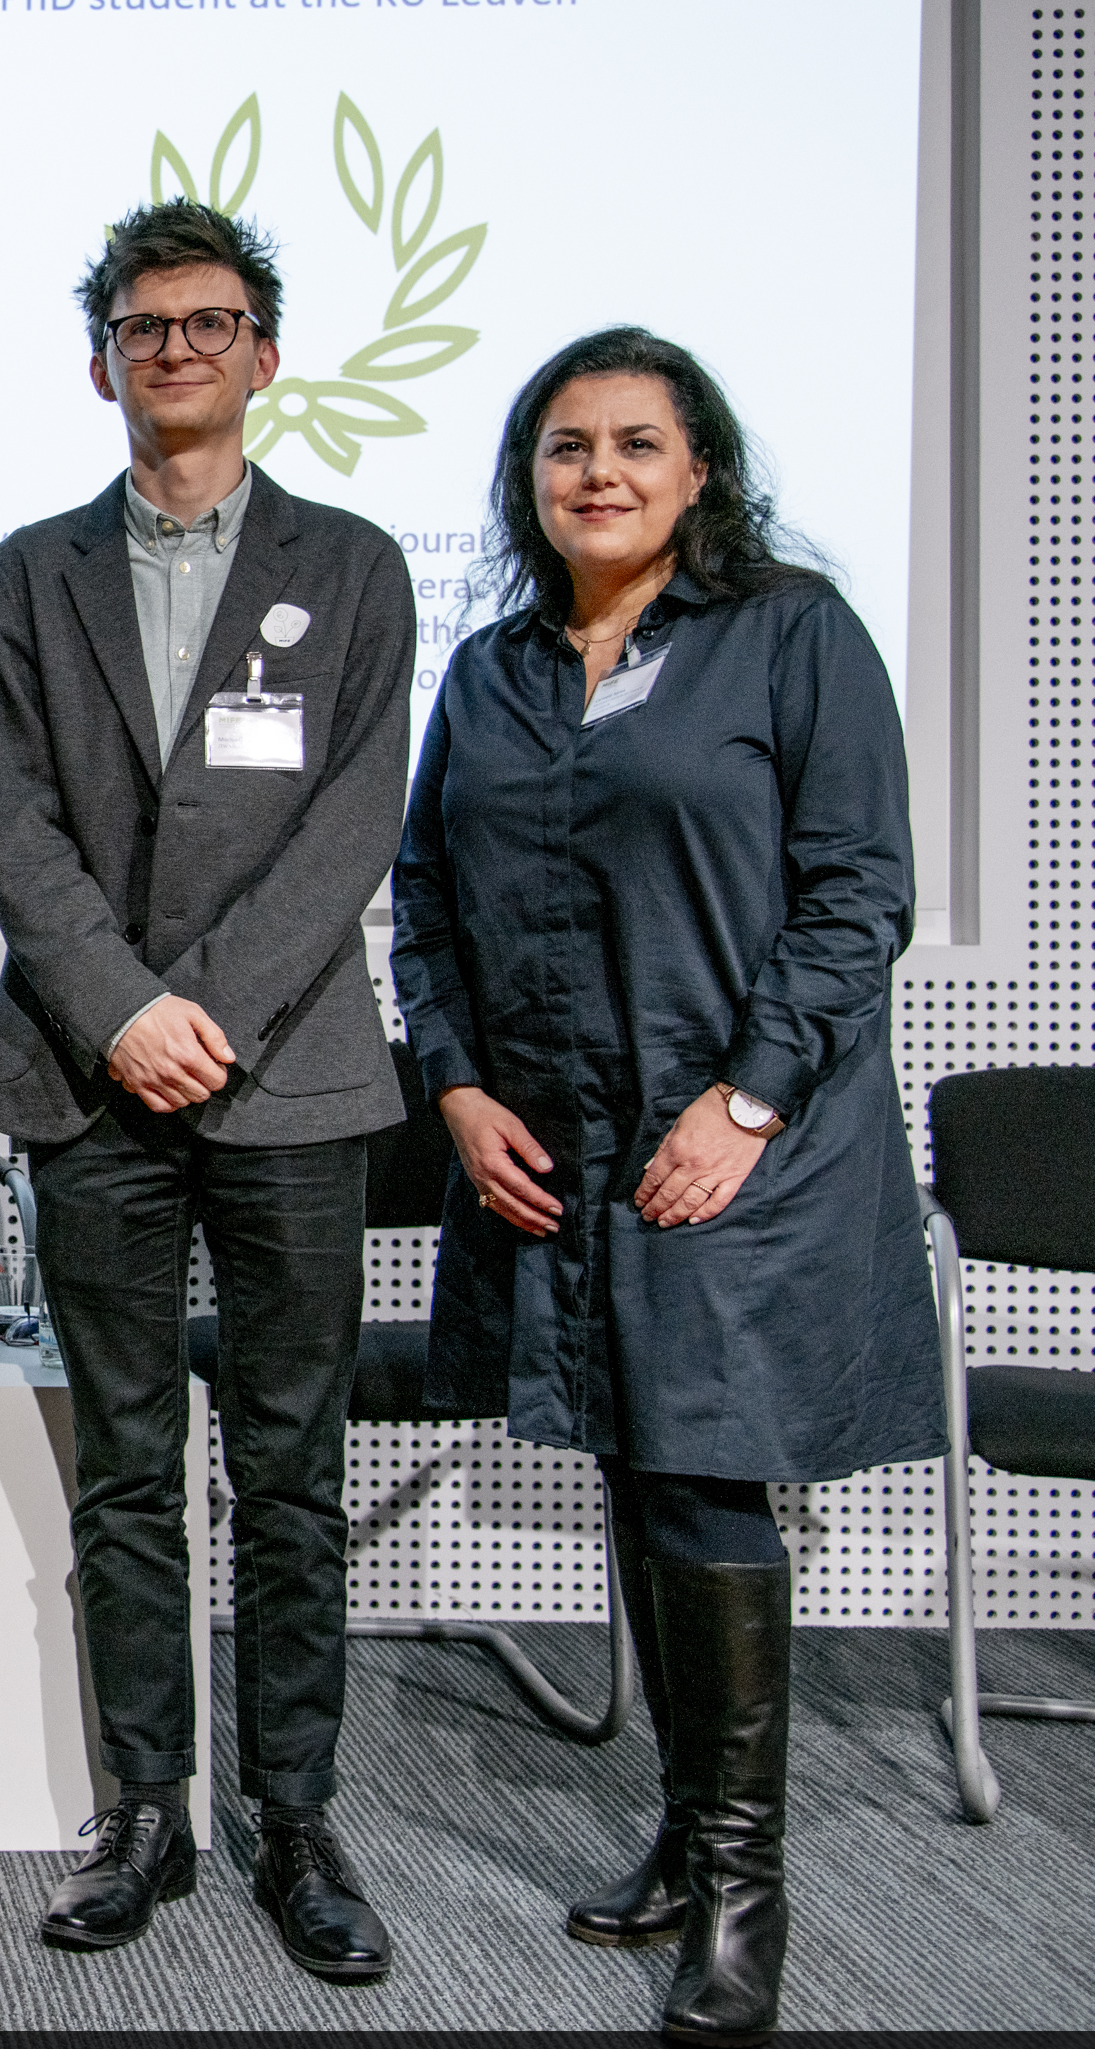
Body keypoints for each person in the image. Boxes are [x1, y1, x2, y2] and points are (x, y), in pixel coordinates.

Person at [389, 328, 934, 2046]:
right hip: (556, 1146)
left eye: (637, 442)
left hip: (742, 1150)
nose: (598, 472)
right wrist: (458, 1091)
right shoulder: (493, 672)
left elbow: (859, 893)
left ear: (703, 469)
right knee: (633, 1477)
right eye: (565, 446)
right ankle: (684, 1839)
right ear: (527, 479)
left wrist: (748, 1101)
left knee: (702, 1484)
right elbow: (425, 907)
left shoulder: (792, 635)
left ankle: (744, 1887)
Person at [0, 201, 417, 1981]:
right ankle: (148, 1799)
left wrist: (201, 1011)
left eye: (210, 322)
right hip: (92, 1083)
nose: (176, 350)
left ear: (266, 351)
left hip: (289, 1079)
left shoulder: (359, 565)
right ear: (102, 362)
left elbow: (352, 822)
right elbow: (16, 818)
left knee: (292, 1467)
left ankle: (294, 1808)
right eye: (144, 327)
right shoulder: (26, 572)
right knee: (128, 1469)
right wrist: (122, 1011)